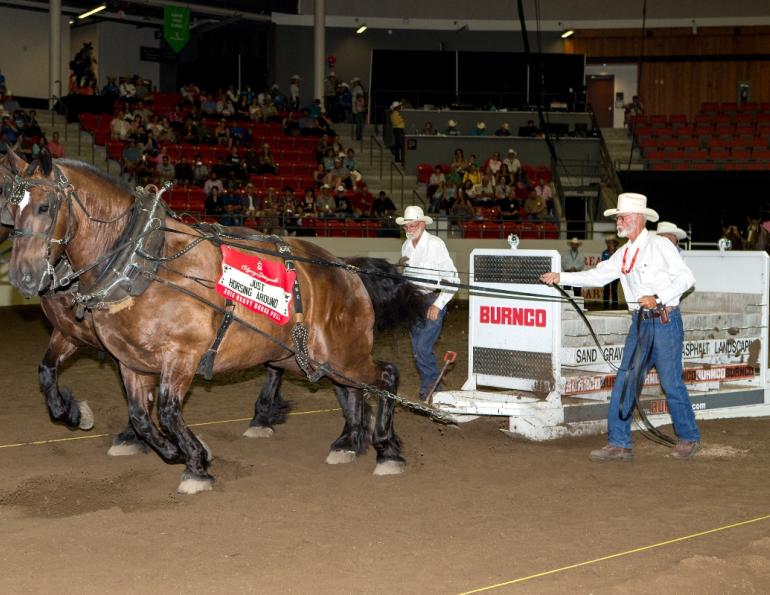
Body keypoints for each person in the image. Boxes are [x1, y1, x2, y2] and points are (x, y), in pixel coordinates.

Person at [540, 192, 701, 461]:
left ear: (637, 218)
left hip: (664, 320)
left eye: (622, 216)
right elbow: (598, 276)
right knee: (626, 379)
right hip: (640, 323)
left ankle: (689, 437)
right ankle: (619, 442)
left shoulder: (660, 246)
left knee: (671, 382)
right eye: (617, 217)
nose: (618, 220)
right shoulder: (623, 253)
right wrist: (561, 277)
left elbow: (687, 278)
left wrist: (658, 297)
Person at [396, 206, 459, 400]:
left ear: (422, 224)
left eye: (412, 225)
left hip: (432, 299)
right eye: (406, 226)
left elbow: (453, 278)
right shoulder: (406, 247)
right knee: (417, 349)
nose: (408, 229)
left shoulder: (435, 244)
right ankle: (432, 385)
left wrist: (438, 304)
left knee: (422, 347)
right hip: (413, 302)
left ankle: (432, 388)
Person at [601, 236, 620, 309]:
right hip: (606, 274)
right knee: (606, 290)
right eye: (608, 242)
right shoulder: (604, 253)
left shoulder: (618, 252)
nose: (609, 244)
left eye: (611, 242)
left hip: (615, 274)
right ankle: (605, 306)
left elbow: (618, 263)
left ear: (615, 243)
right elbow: (603, 263)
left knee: (614, 290)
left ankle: (615, 307)